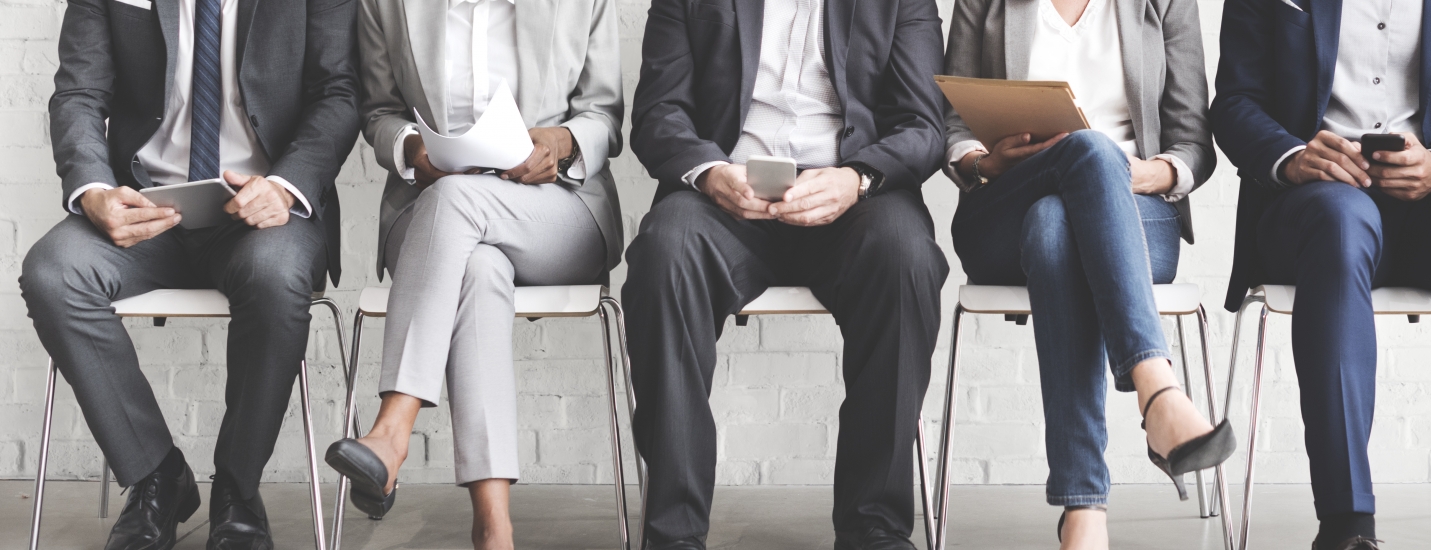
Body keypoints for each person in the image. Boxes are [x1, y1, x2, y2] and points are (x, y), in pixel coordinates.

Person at [1211, 0, 1431, 548]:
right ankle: (1346, 526)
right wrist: (1294, 156)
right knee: (1341, 223)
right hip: (1314, 203)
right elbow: (1234, 101)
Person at [21, 0, 357, 546]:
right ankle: (157, 475)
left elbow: (339, 92)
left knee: (275, 277)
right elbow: (79, 92)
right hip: (145, 209)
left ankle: (237, 489)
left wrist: (288, 185)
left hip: (259, 211)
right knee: (54, 273)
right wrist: (93, 192)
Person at [622, 0, 949, 547]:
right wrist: (709, 172)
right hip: (724, 195)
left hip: (853, 197)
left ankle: (875, 528)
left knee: (906, 256)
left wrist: (858, 178)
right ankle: (673, 533)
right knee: (663, 254)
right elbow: (659, 111)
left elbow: (924, 124)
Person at [321, 0, 624, 547]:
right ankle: (493, 527)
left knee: (458, 199)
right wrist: (414, 149)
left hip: (556, 212)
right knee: (479, 268)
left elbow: (604, 115)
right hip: (431, 220)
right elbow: (379, 114)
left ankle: (392, 430)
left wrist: (561, 142)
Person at [939, 0, 1229, 546]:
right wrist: (982, 160)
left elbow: (1193, 141)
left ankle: (1083, 510)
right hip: (1007, 205)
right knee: (1090, 153)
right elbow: (951, 120)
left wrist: (1154, 171)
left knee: (1058, 222)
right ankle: (1157, 390)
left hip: (1135, 212)